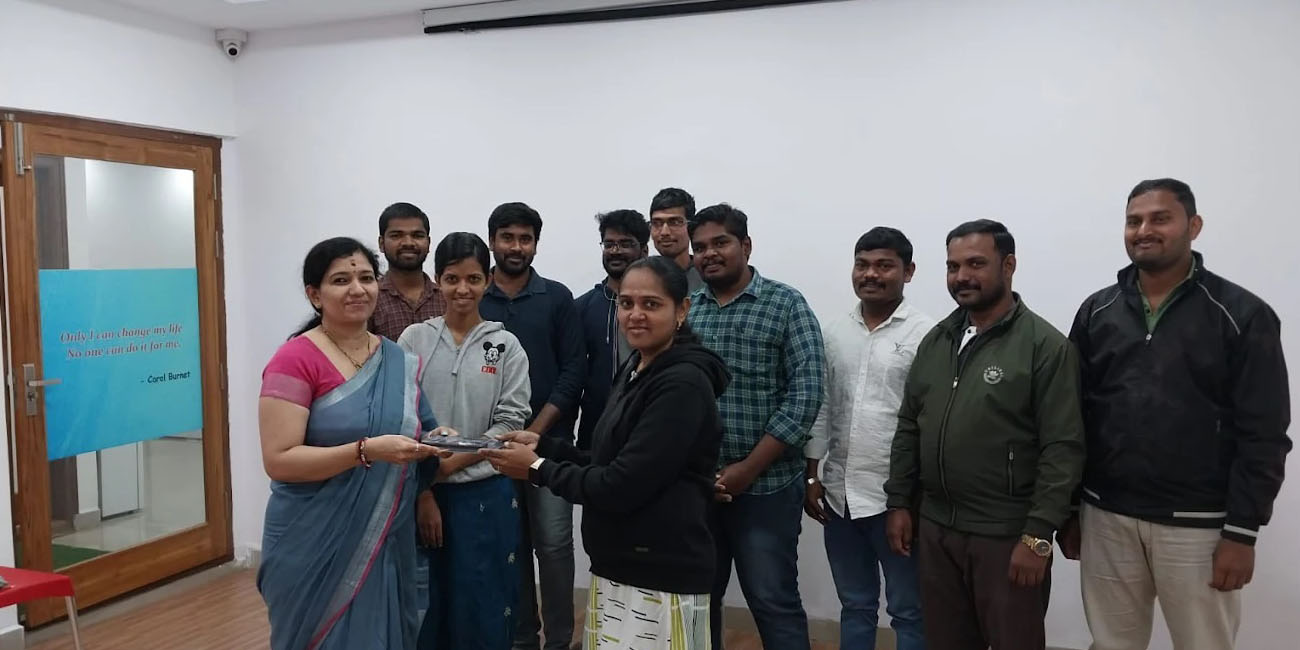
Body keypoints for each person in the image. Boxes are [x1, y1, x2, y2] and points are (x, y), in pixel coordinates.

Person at [1061, 179, 1292, 650]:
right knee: (1111, 644)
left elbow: (1264, 434)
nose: (1144, 230)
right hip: (1106, 516)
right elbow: (1071, 416)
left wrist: (1242, 532)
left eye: (1160, 219)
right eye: (1133, 221)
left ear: (1194, 226)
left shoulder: (1242, 315)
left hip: (1198, 525)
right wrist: (1069, 510)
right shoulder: (1097, 311)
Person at [482, 256, 730, 650]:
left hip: (660, 572)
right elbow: (607, 459)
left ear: (682, 310)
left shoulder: (682, 383)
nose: (636, 315)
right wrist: (543, 445)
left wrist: (537, 468)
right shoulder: (637, 367)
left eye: (651, 304)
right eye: (627, 303)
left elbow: (620, 485)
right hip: (621, 563)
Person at [883, 219, 1085, 650]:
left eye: (976, 264)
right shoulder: (938, 340)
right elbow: (909, 425)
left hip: (1006, 535)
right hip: (936, 528)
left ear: (1008, 265)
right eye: (953, 266)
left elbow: (1062, 448)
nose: (962, 276)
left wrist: (1038, 535)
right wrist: (899, 500)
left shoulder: (1045, 347)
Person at [257, 237, 449, 650]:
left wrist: (442, 440)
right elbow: (279, 459)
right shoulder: (295, 359)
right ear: (315, 295)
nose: (357, 289)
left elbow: (421, 430)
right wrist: (365, 451)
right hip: (312, 539)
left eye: (366, 277)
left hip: (384, 537)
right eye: (341, 280)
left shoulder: (396, 359)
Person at [685, 203, 825, 650]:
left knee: (772, 600)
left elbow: (806, 395)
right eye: (700, 247)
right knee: (697, 599)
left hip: (767, 488)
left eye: (720, 243)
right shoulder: (691, 310)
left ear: (746, 245)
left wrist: (747, 469)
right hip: (700, 487)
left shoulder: (786, 304)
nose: (709, 254)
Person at [398, 232, 533, 650]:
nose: (463, 289)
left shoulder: (506, 346)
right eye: (452, 278)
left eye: (473, 279)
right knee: (428, 608)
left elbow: (509, 422)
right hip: (422, 495)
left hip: (486, 495)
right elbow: (403, 418)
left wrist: (446, 467)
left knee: (484, 603)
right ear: (437, 279)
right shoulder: (413, 340)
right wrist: (424, 490)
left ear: (487, 280)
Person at [805, 227, 933, 650]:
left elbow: (928, 421)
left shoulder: (926, 335)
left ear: (908, 272)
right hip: (840, 496)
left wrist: (907, 500)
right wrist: (812, 474)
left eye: (884, 266)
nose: (871, 274)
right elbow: (823, 405)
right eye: (862, 264)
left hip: (895, 500)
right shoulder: (834, 331)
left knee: (909, 610)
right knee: (855, 603)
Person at [478, 202, 586, 650]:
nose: (516, 247)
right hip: (491, 449)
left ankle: (559, 640)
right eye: (507, 237)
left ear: (536, 245)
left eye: (525, 239)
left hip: (549, 447)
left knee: (555, 546)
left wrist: (537, 432)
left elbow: (573, 371)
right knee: (512, 547)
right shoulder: (476, 296)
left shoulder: (557, 298)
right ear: (492, 241)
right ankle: (523, 638)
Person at [573, 209, 650, 450]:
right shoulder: (582, 307)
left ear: (644, 250)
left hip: (649, 426)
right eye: (609, 244)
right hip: (595, 432)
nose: (615, 251)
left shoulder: (659, 306)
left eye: (625, 244)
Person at [370, 202, 446, 341]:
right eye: (396, 235)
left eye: (417, 235)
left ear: (429, 243)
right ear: (381, 243)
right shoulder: (369, 298)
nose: (408, 243)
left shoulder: (446, 297)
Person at [649, 187, 704, 293]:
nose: (664, 232)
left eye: (674, 222)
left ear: (691, 227)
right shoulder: (642, 278)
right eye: (657, 223)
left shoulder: (708, 276)